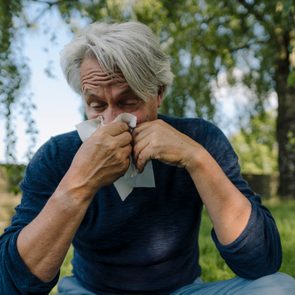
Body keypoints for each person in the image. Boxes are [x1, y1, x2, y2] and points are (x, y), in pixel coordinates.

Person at [0, 21, 295, 295]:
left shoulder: (200, 138)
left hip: (183, 290)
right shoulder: (58, 155)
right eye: (96, 105)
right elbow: (11, 282)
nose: (113, 120)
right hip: (91, 290)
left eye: (128, 102)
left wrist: (196, 159)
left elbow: (261, 262)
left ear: (158, 93)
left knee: (280, 287)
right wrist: (80, 182)